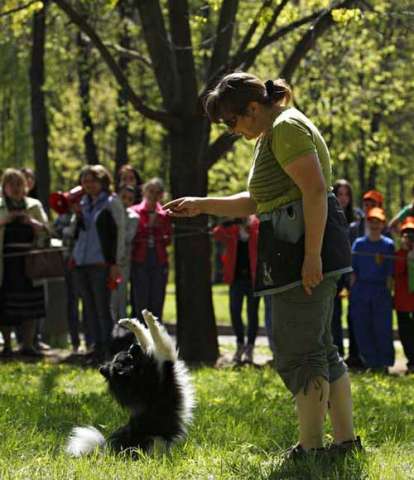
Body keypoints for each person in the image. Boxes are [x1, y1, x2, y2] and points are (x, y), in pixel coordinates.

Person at [165, 72, 359, 457]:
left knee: (299, 352)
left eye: (230, 121)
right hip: (295, 245)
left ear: (252, 109)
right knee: (320, 348)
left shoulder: (285, 128)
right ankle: (344, 443)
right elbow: (257, 201)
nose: (231, 130)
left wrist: (311, 257)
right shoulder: (271, 133)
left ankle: (311, 450)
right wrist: (202, 204)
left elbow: (317, 191)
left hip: (304, 247)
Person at [72, 165, 125, 363]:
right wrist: (76, 216)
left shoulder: (111, 202)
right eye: (85, 181)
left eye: (92, 181)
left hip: (102, 263)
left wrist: (115, 263)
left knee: (103, 307)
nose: (88, 185)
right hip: (82, 262)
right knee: (89, 308)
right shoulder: (83, 202)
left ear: (103, 181)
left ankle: (108, 348)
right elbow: (78, 232)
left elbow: (119, 233)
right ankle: (94, 347)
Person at [0, 168, 49, 357]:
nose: (15, 188)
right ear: (4, 187)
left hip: (29, 263)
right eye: (11, 184)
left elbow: (48, 232)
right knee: (5, 305)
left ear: (26, 186)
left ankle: (28, 345)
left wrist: (34, 225)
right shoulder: (1, 205)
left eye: (19, 183)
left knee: (31, 304)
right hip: (5, 264)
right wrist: (6, 220)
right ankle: (7, 346)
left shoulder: (34, 205)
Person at [350, 207, 395, 372]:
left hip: (380, 291)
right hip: (361, 290)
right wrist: (351, 293)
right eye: (371, 221)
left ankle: (384, 364)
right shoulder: (359, 244)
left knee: (382, 328)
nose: (374, 224)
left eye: (378, 221)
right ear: (367, 223)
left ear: (383, 224)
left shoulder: (388, 245)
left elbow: (390, 274)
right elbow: (353, 272)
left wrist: (389, 295)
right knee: (362, 328)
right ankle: (369, 362)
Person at [213, 216, 260, 363]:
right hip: (236, 278)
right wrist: (228, 221)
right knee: (235, 311)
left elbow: (262, 238)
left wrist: (248, 227)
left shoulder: (256, 226)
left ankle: (250, 348)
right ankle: (240, 344)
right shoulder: (232, 229)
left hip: (253, 279)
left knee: (252, 313)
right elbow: (216, 233)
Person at [331, 179, 363, 368]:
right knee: (334, 314)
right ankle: (337, 354)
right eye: (339, 194)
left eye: (346, 194)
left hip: (353, 273)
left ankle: (355, 354)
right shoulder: (328, 214)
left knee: (353, 315)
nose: (343, 198)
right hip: (335, 271)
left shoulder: (357, 219)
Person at [130, 178, 171, 323]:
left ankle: (156, 338)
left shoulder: (165, 214)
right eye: (150, 191)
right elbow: (132, 236)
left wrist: (158, 228)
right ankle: (140, 338)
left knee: (157, 300)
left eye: (157, 192)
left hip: (159, 260)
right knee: (141, 300)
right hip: (140, 260)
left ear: (161, 195)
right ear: (144, 191)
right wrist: (149, 227)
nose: (153, 195)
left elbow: (168, 240)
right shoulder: (134, 212)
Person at [111, 184, 139, 322]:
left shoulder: (133, 217)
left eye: (130, 199)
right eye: (123, 197)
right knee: (110, 297)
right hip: (108, 261)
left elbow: (128, 237)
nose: (126, 201)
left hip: (123, 262)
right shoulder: (109, 212)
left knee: (121, 296)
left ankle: (122, 328)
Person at [394, 216, 414, 374]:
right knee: (405, 333)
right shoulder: (398, 254)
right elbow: (397, 272)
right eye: (406, 234)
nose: (409, 237)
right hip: (402, 301)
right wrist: (405, 255)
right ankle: (411, 361)